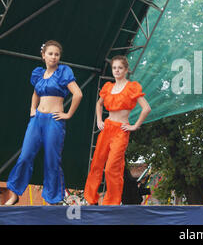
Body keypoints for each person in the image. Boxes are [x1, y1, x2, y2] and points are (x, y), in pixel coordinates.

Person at [2, 40, 83, 205]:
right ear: (43, 55)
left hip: (54, 121)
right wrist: (32, 109)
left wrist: (67, 114)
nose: (54, 57)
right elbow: (35, 93)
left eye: (57, 54)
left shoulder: (63, 72)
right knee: (25, 156)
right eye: (50, 54)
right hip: (37, 120)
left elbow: (78, 94)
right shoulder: (38, 73)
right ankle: (15, 193)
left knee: (52, 159)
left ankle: (53, 199)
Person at [84, 55, 151, 205]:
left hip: (121, 131)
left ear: (126, 70)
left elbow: (146, 108)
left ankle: (111, 203)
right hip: (107, 128)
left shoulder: (132, 87)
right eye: (114, 68)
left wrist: (135, 126)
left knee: (111, 168)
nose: (117, 70)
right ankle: (91, 199)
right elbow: (99, 104)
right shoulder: (108, 87)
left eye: (120, 68)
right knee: (96, 164)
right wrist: (100, 120)